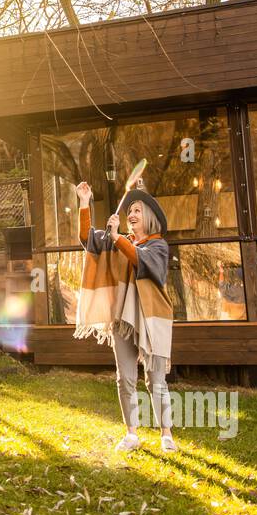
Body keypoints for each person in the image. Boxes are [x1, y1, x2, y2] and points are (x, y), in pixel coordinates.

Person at [74, 181, 177, 453]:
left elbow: (140, 259)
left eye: (138, 211)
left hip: (153, 318)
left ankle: (166, 434)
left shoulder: (158, 246)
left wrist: (117, 236)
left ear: (150, 218)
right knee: (125, 378)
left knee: (156, 379)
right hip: (123, 319)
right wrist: (85, 202)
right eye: (129, 210)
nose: (131, 215)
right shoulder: (119, 241)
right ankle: (131, 434)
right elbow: (88, 240)